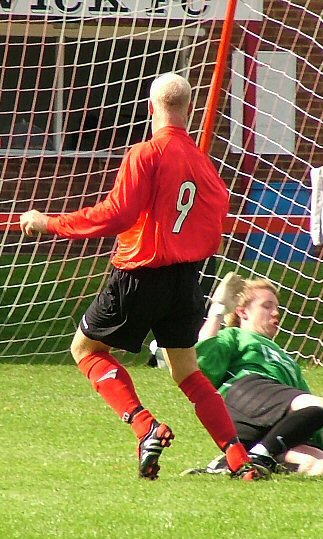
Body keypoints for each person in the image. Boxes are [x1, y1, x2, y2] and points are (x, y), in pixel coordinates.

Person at [19, 73, 267, 482]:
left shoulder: (146, 154)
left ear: (150, 107)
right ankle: (240, 460)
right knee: (187, 372)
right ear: (188, 110)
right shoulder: (203, 163)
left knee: (85, 350)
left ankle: (145, 426)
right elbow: (217, 214)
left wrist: (49, 222)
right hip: (186, 279)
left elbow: (116, 214)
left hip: (139, 274)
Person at [182, 273, 323, 476]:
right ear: (242, 312)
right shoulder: (235, 336)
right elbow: (200, 361)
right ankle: (259, 457)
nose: (275, 313)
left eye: (277, 307)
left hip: (267, 429)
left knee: (321, 466)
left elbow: (315, 425)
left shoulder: (289, 364)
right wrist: (218, 308)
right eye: (267, 306)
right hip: (242, 397)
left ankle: (238, 462)